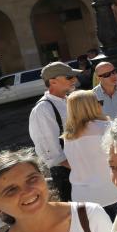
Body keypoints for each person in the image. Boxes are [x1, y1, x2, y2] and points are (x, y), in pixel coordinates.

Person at [62, 91, 117, 219]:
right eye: (99, 102)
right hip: (112, 192)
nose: (101, 106)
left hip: (82, 197)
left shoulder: (68, 136)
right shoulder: (108, 127)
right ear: (92, 106)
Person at [29, 61, 80, 202]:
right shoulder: (43, 109)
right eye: (69, 77)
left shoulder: (68, 100)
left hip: (80, 167)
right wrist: (79, 169)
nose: (74, 79)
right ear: (53, 82)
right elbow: (50, 151)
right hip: (67, 172)